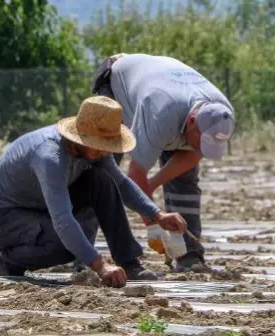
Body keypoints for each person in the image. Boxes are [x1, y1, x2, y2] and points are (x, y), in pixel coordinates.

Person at [0, 96, 187, 288]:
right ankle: (4, 260)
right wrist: (100, 266)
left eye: (107, 144)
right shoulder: (50, 157)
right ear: (80, 136)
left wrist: (157, 215)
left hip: (40, 206)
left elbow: (120, 183)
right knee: (67, 246)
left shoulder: (96, 151)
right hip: (7, 218)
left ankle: (129, 264)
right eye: (98, 144)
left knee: (103, 181)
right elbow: (63, 221)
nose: (104, 151)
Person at [91, 53, 235, 272]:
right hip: (118, 81)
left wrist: (153, 184)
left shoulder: (222, 116)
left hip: (164, 90)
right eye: (201, 141)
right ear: (193, 122)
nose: (201, 147)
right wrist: (154, 224)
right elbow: (136, 175)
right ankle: (83, 257)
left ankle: (188, 257)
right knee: (98, 173)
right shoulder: (160, 113)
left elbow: (193, 153)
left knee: (184, 181)